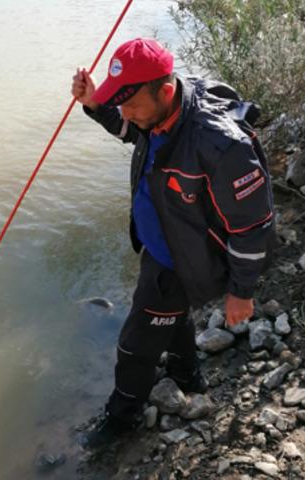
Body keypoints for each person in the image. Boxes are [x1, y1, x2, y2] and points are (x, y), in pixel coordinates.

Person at [70, 38, 274, 448]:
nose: (125, 113)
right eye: (120, 103)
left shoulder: (221, 145)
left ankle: (123, 418)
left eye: (131, 104)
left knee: (135, 346)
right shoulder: (160, 112)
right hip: (162, 244)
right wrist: (94, 104)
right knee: (171, 315)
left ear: (165, 92)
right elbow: (131, 130)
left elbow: (254, 224)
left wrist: (241, 291)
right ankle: (187, 376)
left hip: (181, 260)